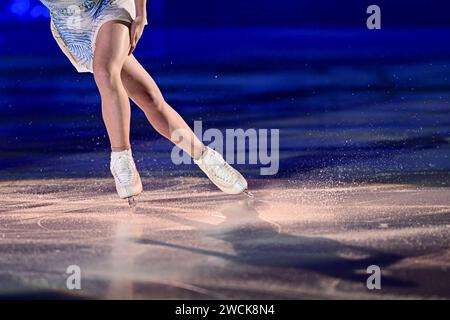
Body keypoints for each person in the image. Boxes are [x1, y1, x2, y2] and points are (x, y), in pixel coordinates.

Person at [39, 0, 248, 204]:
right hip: (72, 27)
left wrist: (140, 13)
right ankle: (205, 156)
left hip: (109, 6)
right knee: (149, 98)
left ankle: (121, 160)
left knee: (105, 72)